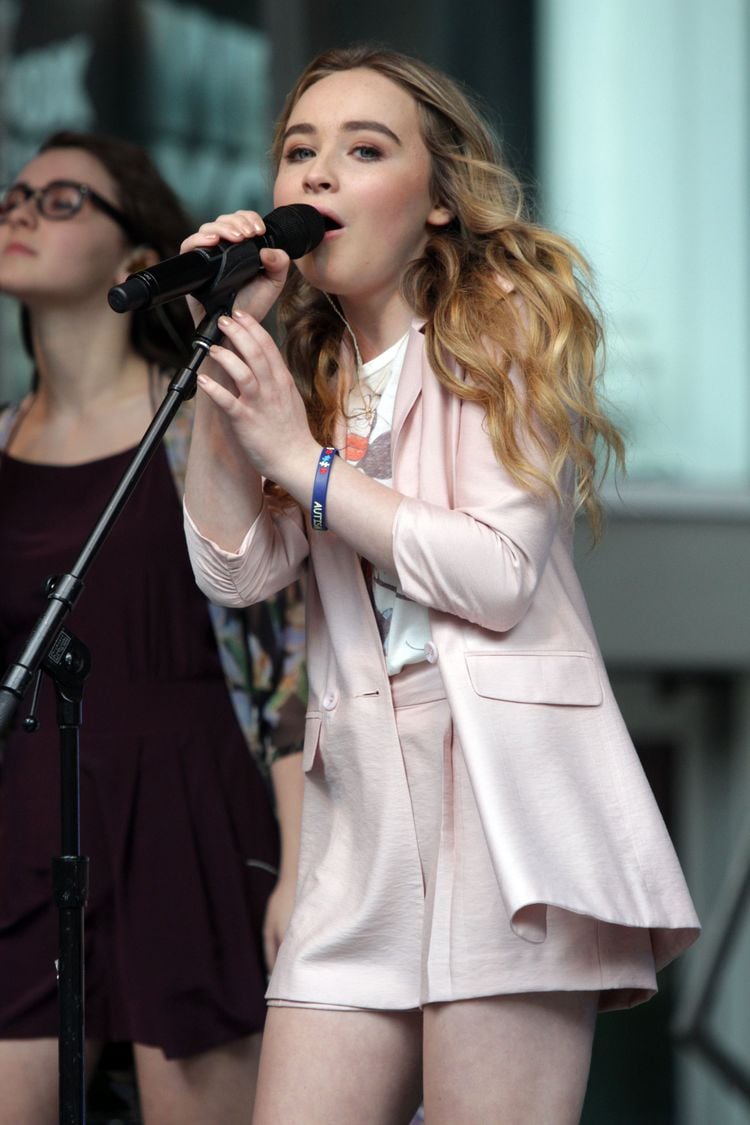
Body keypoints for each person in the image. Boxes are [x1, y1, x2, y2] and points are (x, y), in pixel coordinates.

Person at [181, 45, 700, 1124]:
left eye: (364, 150)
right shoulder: (310, 377)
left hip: (502, 802)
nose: (316, 177)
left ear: (441, 204)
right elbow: (232, 571)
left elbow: (497, 575)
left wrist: (301, 464)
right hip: (359, 813)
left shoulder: (499, 325)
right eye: (297, 152)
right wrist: (231, 354)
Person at [0, 130, 305, 1124]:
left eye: (61, 201)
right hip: (26, 829)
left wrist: (300, 871)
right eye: (16, 195)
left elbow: (290, 665)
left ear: (138, 260)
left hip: (194, 815)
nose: (21, 212)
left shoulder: (201, 425)